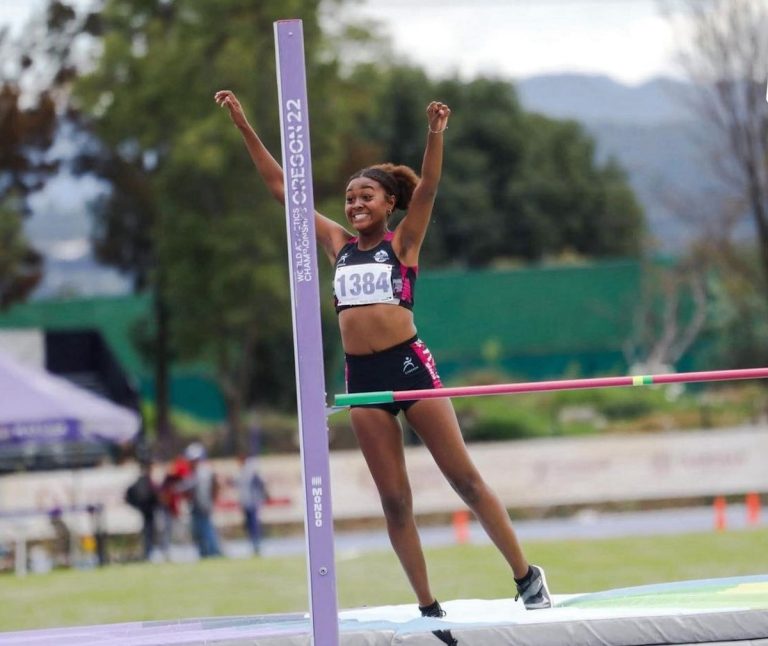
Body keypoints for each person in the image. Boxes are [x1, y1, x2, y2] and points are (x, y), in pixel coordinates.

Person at [215, 90, 552, 615]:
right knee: (394, 502)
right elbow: (283, 188)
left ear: (389, 203)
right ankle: (427, 605)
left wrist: (435, 134)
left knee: (464, 479)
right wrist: (242, 124)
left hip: (409, 365)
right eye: (350, 198)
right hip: (364, 379)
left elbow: (431, 186)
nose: (355, 204)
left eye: (366, 196)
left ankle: (527, 576)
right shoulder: (337, 245)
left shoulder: (404, 245)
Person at [179, 442, 222, 558]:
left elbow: (215, 486)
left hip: (204, 507)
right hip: (196, 507)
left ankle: (214, 553)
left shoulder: (205, 472)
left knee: (207, 531)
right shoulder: (193, 473)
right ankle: (205, 553)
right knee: (198, 532)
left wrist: (212, 500)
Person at [125, 461, 159, 560]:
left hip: (147, 511)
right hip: (146, 511)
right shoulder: (144, 481)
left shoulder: (145, 481)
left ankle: (149, 552)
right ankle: (148, 553)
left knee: (149, 533)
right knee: (148, 533)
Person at [237, 454, 268, 555]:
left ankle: (257, 545)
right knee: (249, 526)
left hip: (252, 503)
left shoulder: (250, 472)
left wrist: (265, 496)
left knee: (254, 525)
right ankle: (254, 545)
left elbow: (261, 484)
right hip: (246, 503)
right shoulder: (242, 472)